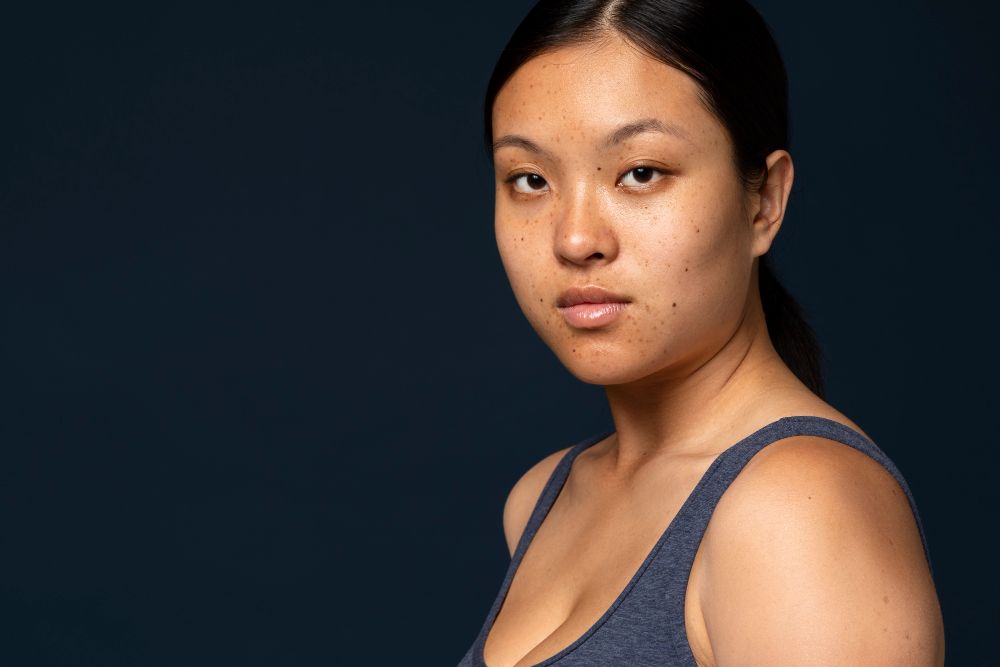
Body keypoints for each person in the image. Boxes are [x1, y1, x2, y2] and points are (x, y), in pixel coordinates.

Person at [457, 1, 945, 665]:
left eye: (641, 172)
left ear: (764, 201)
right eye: (530, 179)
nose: (574, 238)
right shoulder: (543, 499)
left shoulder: (798, 508)